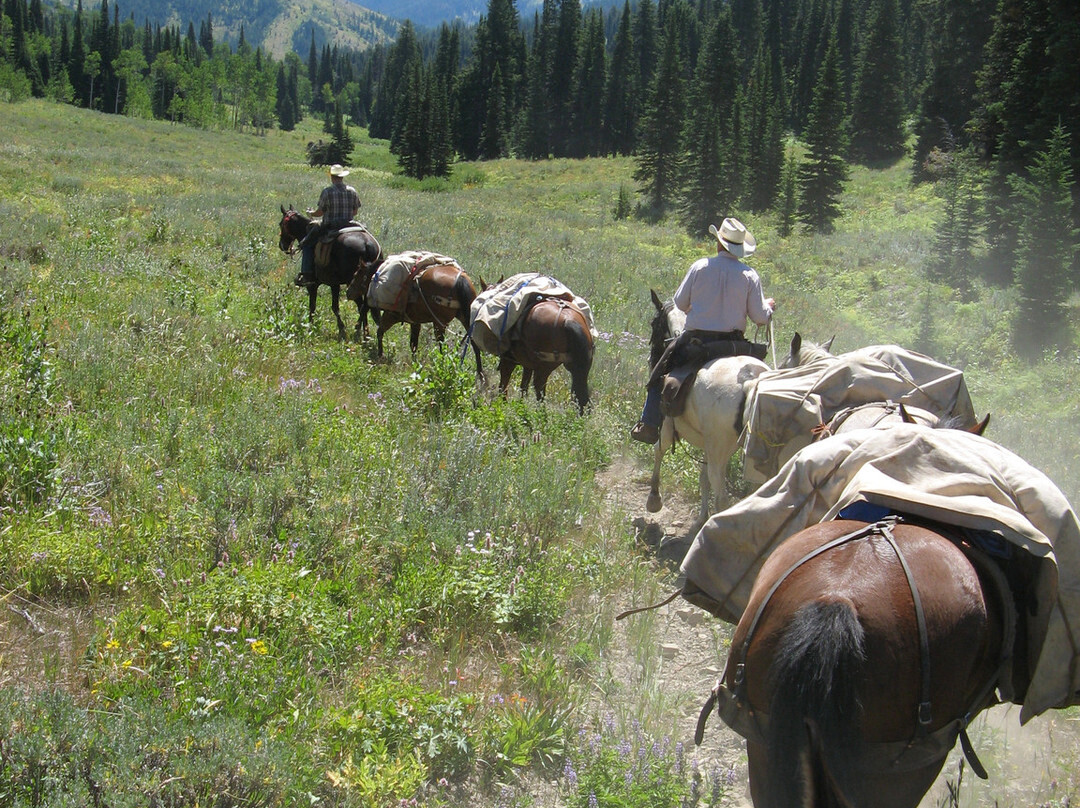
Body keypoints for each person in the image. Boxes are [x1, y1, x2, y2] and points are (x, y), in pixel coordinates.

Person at [631, 217, 776, 444]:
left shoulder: (700, 267)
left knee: (659, 374)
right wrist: (768, 308)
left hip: (697, 343)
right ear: (739, 249)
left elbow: (679, 304)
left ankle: (649, 423)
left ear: (718, 243)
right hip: (735, 344)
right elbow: (759, 317)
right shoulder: (750, 275)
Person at [294, 163, 361, 287]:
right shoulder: (352, 191)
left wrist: (310, 213)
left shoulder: (327, 191)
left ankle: (307, 274)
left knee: (307, 244)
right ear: (342, 177)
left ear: (332, 177)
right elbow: (355, 211)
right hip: (350, 225)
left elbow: (320, 212)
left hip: (331, 226)